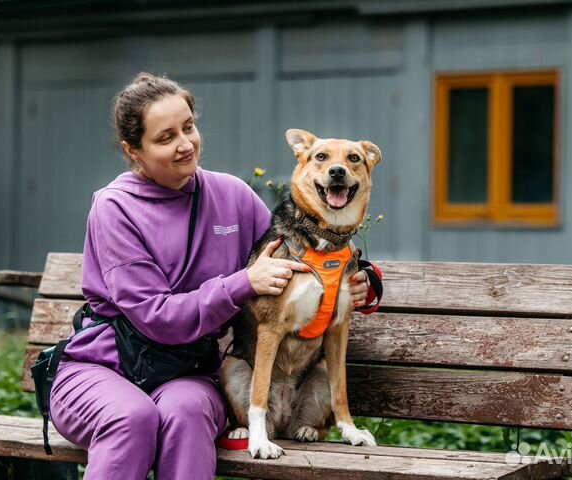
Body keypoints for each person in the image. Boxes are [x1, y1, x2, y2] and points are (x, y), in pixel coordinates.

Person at [49, 72, 377, 480]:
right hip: (105, 367)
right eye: (166, 137)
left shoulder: (232, 195)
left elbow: (300, 250)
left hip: (186, 371)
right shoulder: (115, 209)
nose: (186, 144)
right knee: (131, 419)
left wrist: (359, 279)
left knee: (187, 414)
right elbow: (155, 316)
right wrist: (243, 283)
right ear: (134, 150)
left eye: (189, 127)